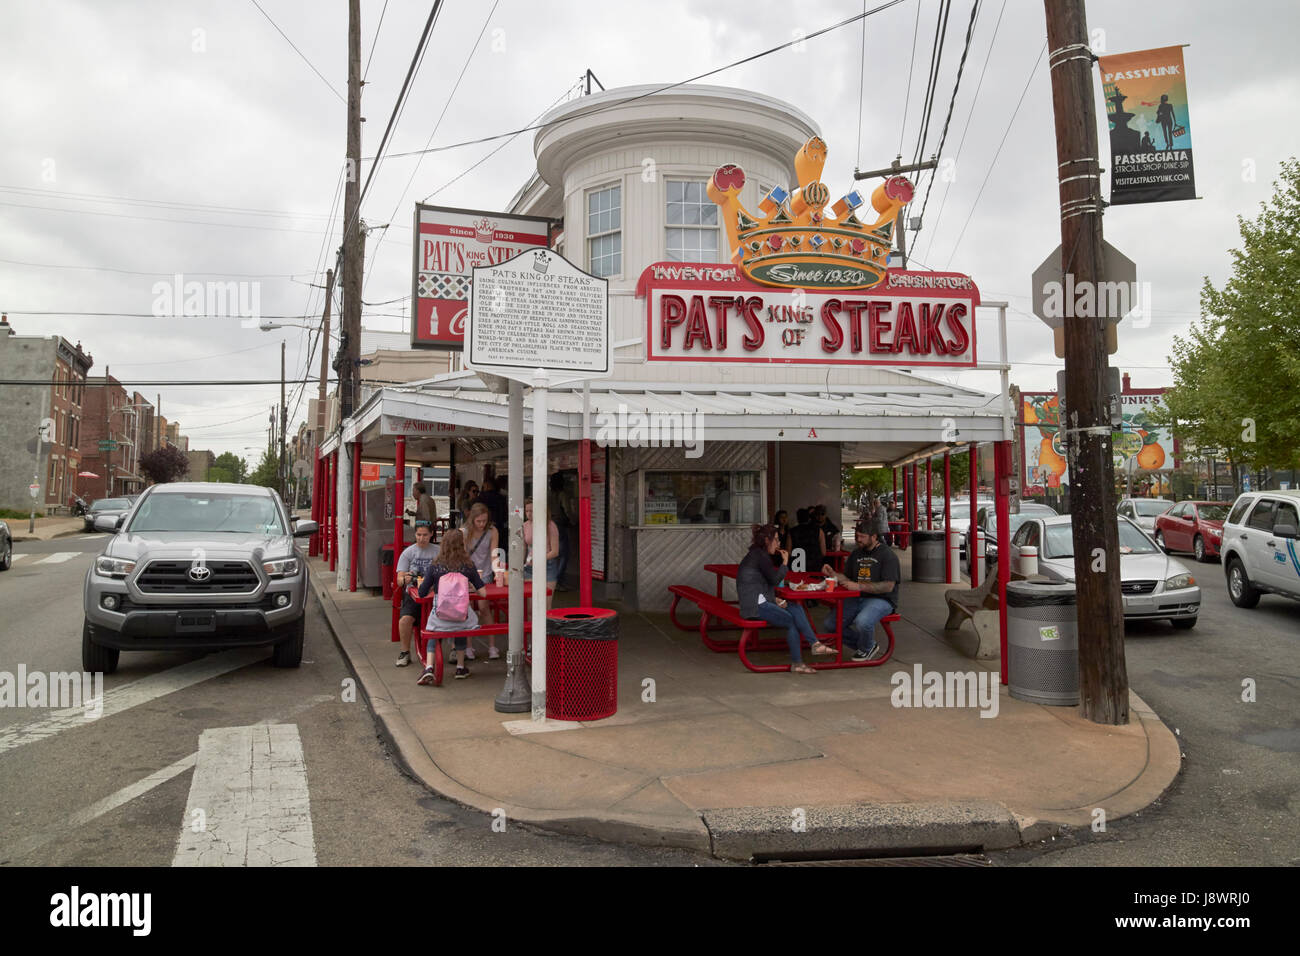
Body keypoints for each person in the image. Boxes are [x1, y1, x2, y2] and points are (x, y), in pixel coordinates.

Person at [739, 524, 836, 675]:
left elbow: (760, 583)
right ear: (766, 540)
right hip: (755, 607)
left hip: (755, 602)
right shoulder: (761, 557)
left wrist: (775, 600)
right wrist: (785, 562)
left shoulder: (756, 554)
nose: (779, 544)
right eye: (776, 540)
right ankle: (798, 663)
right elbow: (774, 579)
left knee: (795, 607)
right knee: (791, 621)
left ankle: (815, 644)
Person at [823, 519, 900, 662]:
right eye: (856, 535)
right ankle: (867, 645)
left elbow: (889, 586)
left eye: (862, 536)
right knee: (830, 624)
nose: (858, 539)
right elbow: (847, 578)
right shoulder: (856, 554)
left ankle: (865, 648)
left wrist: (859, 586)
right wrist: (833, 574)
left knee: (863, 622)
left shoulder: (887, 555)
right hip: (857, 596)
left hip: (882, 599)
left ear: (874, 537)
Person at [415, 529, 487, 683]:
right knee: (460, 625)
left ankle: (428, 667)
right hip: (462, 618)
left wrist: (434, 586)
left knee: (433, 629)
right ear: (462, 545)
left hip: (440, 617)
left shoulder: (436, 566)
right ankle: (460, 667)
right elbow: (484, 593)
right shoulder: (468, 566)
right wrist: (471, 587)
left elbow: (421, 593)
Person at [393, 524, 440, 668]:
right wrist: (405, 578)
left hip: (435, 594)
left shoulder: (438, 551)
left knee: (451, 617)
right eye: (419, 535)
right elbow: (399, 578)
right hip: (413, 594)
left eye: (425, 535)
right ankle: (405, 652)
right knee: (405, 620)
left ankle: (455, 649)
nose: (421, 538)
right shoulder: (408, 553)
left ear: (431, 534)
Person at [463, 502, 501, 659]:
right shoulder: (464, 532)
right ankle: (469, 647)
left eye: (484, 521)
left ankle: (492, 646)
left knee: (484, 608)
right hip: (468, 573)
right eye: (478, 521)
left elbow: (494, 553)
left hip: (485, 573)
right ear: (472, 519)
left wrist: (497, 570)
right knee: (468, 610)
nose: (481, 524)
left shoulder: (492, 531)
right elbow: (463, 556)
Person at [522, 498, 560, 609]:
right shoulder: (525, 525)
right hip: (530, 567)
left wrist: (539, 559)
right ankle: (531, 626)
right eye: (527, 511)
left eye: (532, 511)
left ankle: (546, 627)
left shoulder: (550, 525)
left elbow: (555, 551)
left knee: (545, 606)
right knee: (531, 607)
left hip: (547, 566)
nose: (529, 514)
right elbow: (523, 548)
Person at [787, 507, 825, 573]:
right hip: (814, 567)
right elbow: (823, 552)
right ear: (809, 518)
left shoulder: (791, 532)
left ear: (798, 519)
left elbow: (788, 552)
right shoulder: (819, 531)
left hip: (797, 568)